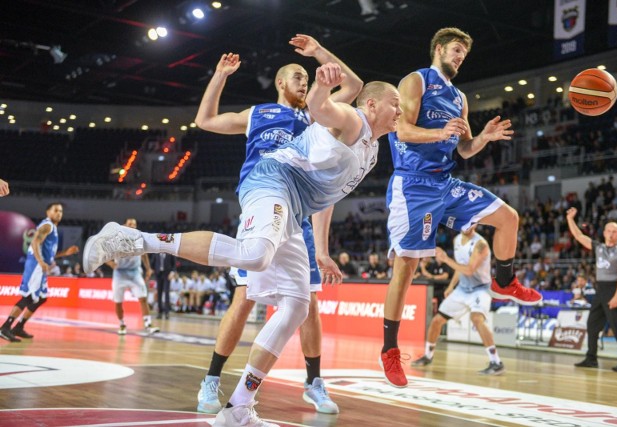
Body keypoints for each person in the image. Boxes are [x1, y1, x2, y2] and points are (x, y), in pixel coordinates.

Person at [83, 63, 401, 427]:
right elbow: (324, 104)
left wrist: (323, 250)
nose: (401, 111)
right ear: (373, 105)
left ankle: (239, 407)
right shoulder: (349, 119)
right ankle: (133, 239)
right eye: (396, 103)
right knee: (254, 260)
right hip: (271, 180)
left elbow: (327, 195)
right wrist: (319, 82)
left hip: (295, 210)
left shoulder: (371, 151)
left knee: (298, 305)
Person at [192, 34, 363, 415]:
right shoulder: (259, 114)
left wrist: (319, 53)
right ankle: (212, 379)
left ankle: (314, 382)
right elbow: (203, 120)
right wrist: (220, 76)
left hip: (298, 212)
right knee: (244, 298)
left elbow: (354, 86)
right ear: (281, 83)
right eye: (298, 76)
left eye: (307, 76)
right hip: (261, 206)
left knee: (308, 304)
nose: (305, 81)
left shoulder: (319, 116)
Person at [380, 27, 541, 388]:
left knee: (508, 218)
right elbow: (401, 130)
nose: (459, 57)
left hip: (446, 183)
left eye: (463, 55)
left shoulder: (460, 98)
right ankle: (390, 350)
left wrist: (481, 138)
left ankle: (504, 281)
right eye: (455, 50)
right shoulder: (416, 81)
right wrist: (439, 134)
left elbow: (463, 150)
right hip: (414, 184)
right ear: (438, 48)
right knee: (406, 268)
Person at [411, 226, 505, 375]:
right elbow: (459, 268)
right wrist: (451, 286)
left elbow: (469, 269)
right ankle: (428, 356)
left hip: (480, 289)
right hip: (462, 289)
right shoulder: (456, 240)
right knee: (436, 321)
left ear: (475, 225)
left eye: (472, 223)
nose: (469, 226)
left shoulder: (481, 244)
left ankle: (496, 361)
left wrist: (445, 259)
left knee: (477, 319)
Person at [0, 203, 79, 342]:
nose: (59, 213)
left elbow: (48, 254)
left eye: (61, 211)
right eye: (55, 210)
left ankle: (18, 327)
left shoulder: (52, 228)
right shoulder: (47, 225)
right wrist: (41, 262)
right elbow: (35, 242)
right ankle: (5, 328)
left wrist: (65, 253)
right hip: (36, 265)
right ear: (48, 212)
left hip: (40, 265)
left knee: (41, 298)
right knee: (29, 297)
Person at [566, 207, 617, 372]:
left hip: (613, 290)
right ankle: (591, 358)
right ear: (604, 232)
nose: (611, 233)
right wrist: (570, 219)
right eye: (608, 230)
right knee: (592, 325)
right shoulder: (598, 248)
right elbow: (579, 236)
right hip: (600, 290)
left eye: (614, 231)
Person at [104, 218, 159, 336]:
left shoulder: (140, 239)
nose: (133, 226)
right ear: (124, 225)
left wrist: (148, 269)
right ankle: (122, 324)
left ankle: (148, 324)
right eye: (130, 224)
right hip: (120, 274)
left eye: (134, 224)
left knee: (143, 298)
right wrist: (111, 263)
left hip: (135, 273)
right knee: (118, 302)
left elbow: (144, 255)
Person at [151, 252, 176, 319]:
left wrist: (172, 272)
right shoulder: (156, 253)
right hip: (158, 275)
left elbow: (174, 265)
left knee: (166, 293)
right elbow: (152, 264)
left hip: (167, 275)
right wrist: (153, 271)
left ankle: (167, 312)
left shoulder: (170, 253)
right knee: (159, 293)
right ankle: (160, 312)